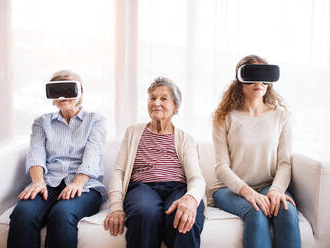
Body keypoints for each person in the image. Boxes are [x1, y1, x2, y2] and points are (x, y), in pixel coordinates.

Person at [8, 70, 107, 248]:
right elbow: (36, 154)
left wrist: (77, 183)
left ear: (80, 92)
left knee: (62, 215)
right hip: (47, 182)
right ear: (51, 96)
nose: (63, 95)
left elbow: (92, 156)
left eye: (68, 89)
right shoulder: (42, 122)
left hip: (85, 187)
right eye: (57, 90)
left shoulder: (95, 120)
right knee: (23, 215)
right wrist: (37, 182)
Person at [104, 77, 205, 248]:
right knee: (145, 213)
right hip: (143, 187)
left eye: (164, 98)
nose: (156, 103)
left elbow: (196, 178)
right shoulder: (133, 132)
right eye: (152, 98)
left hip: (178, 188)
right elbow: (119, 172)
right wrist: (116, 207)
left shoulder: (185, 138)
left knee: (183, 216)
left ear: (176, 107)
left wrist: (191, 199)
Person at [211, 55, 301, 248]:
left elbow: (284, 162)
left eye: (264, 76)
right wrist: (248, 193)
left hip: (268, 185)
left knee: (286, 209)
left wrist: (276, 191)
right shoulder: (223, 118)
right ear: (240, 81)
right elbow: (221, 167)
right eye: (252, 76)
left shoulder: (281, 117)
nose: (259, 82)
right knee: (255, 210)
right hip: (229, 190)